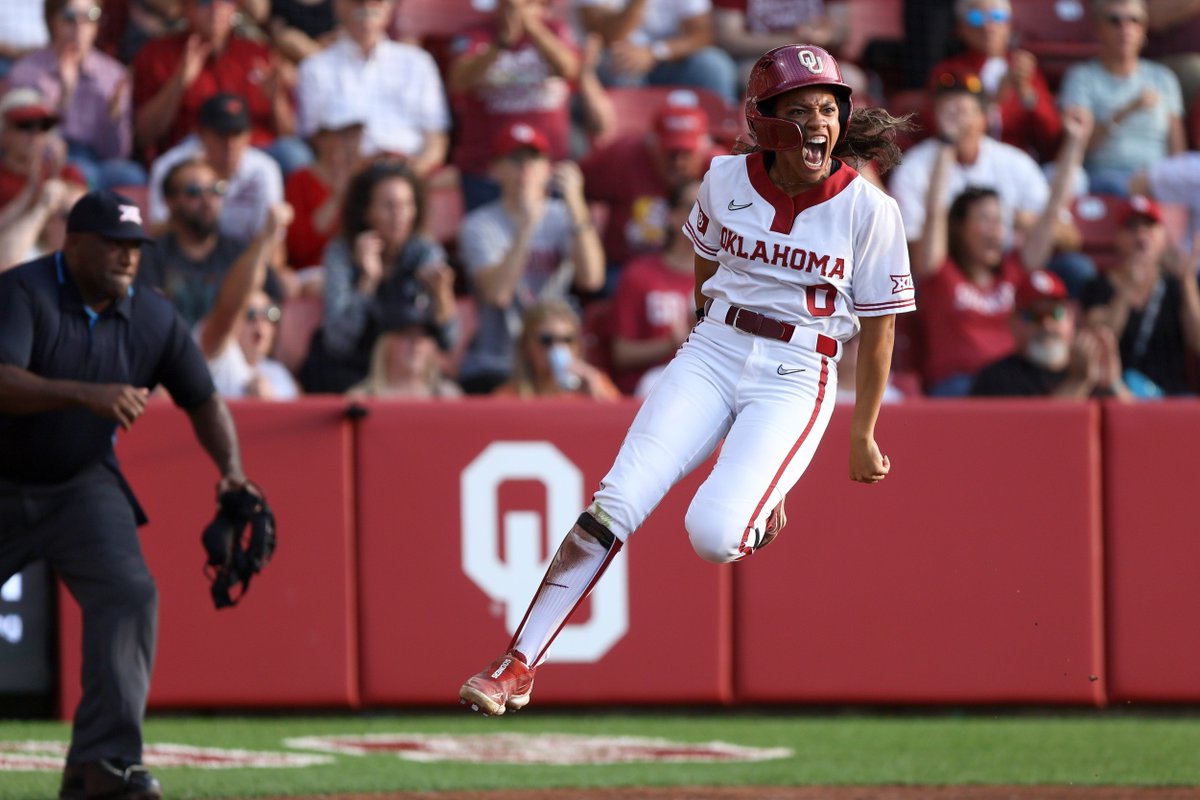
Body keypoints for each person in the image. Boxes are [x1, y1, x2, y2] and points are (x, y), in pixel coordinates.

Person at [459, 44, 916, 716]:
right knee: (615, 501)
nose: (818, 122)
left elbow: (881, 330)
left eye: (828, 107)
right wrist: (709, 336)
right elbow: (705, 272)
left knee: (712, 534)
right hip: (716, 346)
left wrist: (863, 433)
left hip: (797, 370)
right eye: (800, 109)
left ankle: (763, 498)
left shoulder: (869, 211)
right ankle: (518, 664)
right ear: (764, 121)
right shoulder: (725, 179)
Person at [0, 190, 260, 800]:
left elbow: (203, 399)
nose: (127, 258)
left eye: (135, 247)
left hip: (79, 483)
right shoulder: (23, 292)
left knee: (128, 593)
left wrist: (231, 472)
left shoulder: (153, 317)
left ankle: (104, 763)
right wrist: (85, 394)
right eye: (113, 245)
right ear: (74, 243)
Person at [913, 105, 1093, 396]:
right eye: (984, 219)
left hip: (1013, 384)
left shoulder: (1015, 269)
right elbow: (934, 211)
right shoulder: (940, 271)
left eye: (999, 220)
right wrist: (947, 145)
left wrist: (1074, 142)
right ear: (959, 228)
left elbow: (1051, 213)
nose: (996, 229)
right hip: (958, 390)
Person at [455, 122, 604, 394]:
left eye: (534, 159)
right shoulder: (479, 225)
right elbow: (497, 293)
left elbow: (592, 278)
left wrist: (576, 205)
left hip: (555, 359)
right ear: (494, 170)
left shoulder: (563, 215)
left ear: (547, 168)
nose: (525, 169)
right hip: (497, 363)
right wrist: (526, 225)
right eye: (514, 160)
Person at [299, 160, 458, 393]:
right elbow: (337, 342)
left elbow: (448, 342)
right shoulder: (341, 252)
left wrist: (441, 295)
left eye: (406, 205)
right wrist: (367, 282)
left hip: (403, 375)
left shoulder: (424, 252)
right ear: (366, 212)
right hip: (347, 373)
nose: (399, 215)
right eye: (388, 206)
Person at [131, 0, 302, 170]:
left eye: (225, 1)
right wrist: (178, 83)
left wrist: (276, 100)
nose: (215, 8)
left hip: (254, 156)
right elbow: (143, 136)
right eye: (204, 2)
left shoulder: (257, 53)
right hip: (192, 160)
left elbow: (289, 136)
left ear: (235, 8)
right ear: (184, 8)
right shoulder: (156, 54)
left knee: (292, 154)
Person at [446, 0, 580, 212]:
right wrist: (500, 43)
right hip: (485, 171)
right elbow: (458, 81)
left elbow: (569, 69)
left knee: (548, 244)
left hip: (546, 168)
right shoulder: (475, 35)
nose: (517, 10)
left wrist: (533, 28)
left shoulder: (556, 30)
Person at [295, 0, 450, 178]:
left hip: (407, 175)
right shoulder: (314, 68)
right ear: (338, 5)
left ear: (390, 7)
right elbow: (313, 139)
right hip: (345, 178)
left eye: (376, 1)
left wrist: (411, 175)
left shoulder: (418, 63)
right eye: (358, 1)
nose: (367, 7)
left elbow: (436, 138)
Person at [8, 0, 147, 190]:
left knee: (132, 175)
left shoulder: (113, 74)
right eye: (69, 17)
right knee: (82, 172)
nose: (79, 26)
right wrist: (64, 97)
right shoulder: (27, 72)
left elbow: (117, 154)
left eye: (90, 16)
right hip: (48, 159)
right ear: (51, 22)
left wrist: (115, 119)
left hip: (97, 160)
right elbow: (25, 142)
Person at [580, 93, 723, 277]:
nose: (678, 162)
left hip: (695, 275)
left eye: (686, 153)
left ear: (704, 148)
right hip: (625, 269)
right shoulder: (623, 156)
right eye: (671, 153)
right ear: (652, 146)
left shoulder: (721, 171)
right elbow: (575, 183)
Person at [1057, 0, 1186, 196]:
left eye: (1134, 20)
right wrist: (1126, 111)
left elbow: (1178, 151)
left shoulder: (1163, 78)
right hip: (1104, 177)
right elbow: (1078, 146)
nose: (1125, 28)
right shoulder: (1082, 77)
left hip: (1156, 179)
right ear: (1098, 28)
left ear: (1143, 29)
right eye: (1114, 20)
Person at [138, 157, 284, 328]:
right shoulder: (150, 255)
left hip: (232, 351)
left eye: (216, 189)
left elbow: (274, 308)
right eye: (193, 192)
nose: (207, 201)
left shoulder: (241, 254)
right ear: (169, 202)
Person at [1080, 195, 1200, 396]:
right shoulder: (1097, 286)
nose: (1141, 233)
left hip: (1170, 395)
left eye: (1149, 226)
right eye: (1131, 227)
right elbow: (1100, 340)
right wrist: (1126, 291)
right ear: (1117, 237)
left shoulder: (1177, 286)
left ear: (1163, 236)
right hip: (1115, 392)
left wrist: (1187, 283)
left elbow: (1197, 342)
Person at [926, 0, 1062, 162]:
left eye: (996, 16)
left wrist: (1026, 94)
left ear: (1009, 25)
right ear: (959, 27)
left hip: (1015, 162)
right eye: (975, 17)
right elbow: (936, 126)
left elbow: (1051, 134)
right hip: (961, 160)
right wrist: (995, 98)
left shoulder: (1023, 69)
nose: (987, 26)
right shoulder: (948, 71)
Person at [146, 92, 285, 246]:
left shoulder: (264, 169)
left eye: (237, 134)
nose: (230, 144)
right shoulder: (170, 167)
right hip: (184, 260)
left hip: (244, 261)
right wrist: (195, 216)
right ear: (200, 134)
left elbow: (274, 245)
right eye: (221, 134)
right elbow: (158, 230)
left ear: (248, 135)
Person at [971, 269, 1130, 398]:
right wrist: (1078, 381)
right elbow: (1037, 434)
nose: (1046, 325)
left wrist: (1113, 383)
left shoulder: (1091, 366)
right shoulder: (996, 379)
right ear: (1013, 323)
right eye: (1033, 316)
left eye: (1055, 314)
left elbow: (1134, 428)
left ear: (1071, 316)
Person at [609, 179, 699, 395]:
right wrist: (670, 343)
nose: (704, 215)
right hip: (650, 386)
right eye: (694, 207)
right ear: (670, 215)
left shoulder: (726, 277)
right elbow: (621, 353)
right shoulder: (639, 275)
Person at [578, 0, 740, 104]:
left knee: (715, 65)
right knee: (620, 66)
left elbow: (701, 34)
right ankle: (632, 144)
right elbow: (607, 35)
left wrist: (655, 53)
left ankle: (721, 143)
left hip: (666, 58)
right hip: (618, 58)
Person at [0, 87, 88, 270]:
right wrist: (31, 194)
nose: (35, 135)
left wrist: (54, 180)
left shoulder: (67, 173)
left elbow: (83, 222)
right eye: (25, 125)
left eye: (44, 126)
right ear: (3, 132)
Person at [283, 93, 366, 282]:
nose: (351, 142)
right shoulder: (299, 181)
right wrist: (336, 198)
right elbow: (299, 248)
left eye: (356, 133)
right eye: (343, 134)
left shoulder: (369, 176)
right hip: (315, 272)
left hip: (362, 268)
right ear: (320, 138)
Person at [493, 297, 621, 399]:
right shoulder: (508, 396)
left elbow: (621, 425)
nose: (558, 347)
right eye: (546, 340)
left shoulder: (596, 384)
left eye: (567, 340)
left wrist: (595, 390)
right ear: (526, 346)